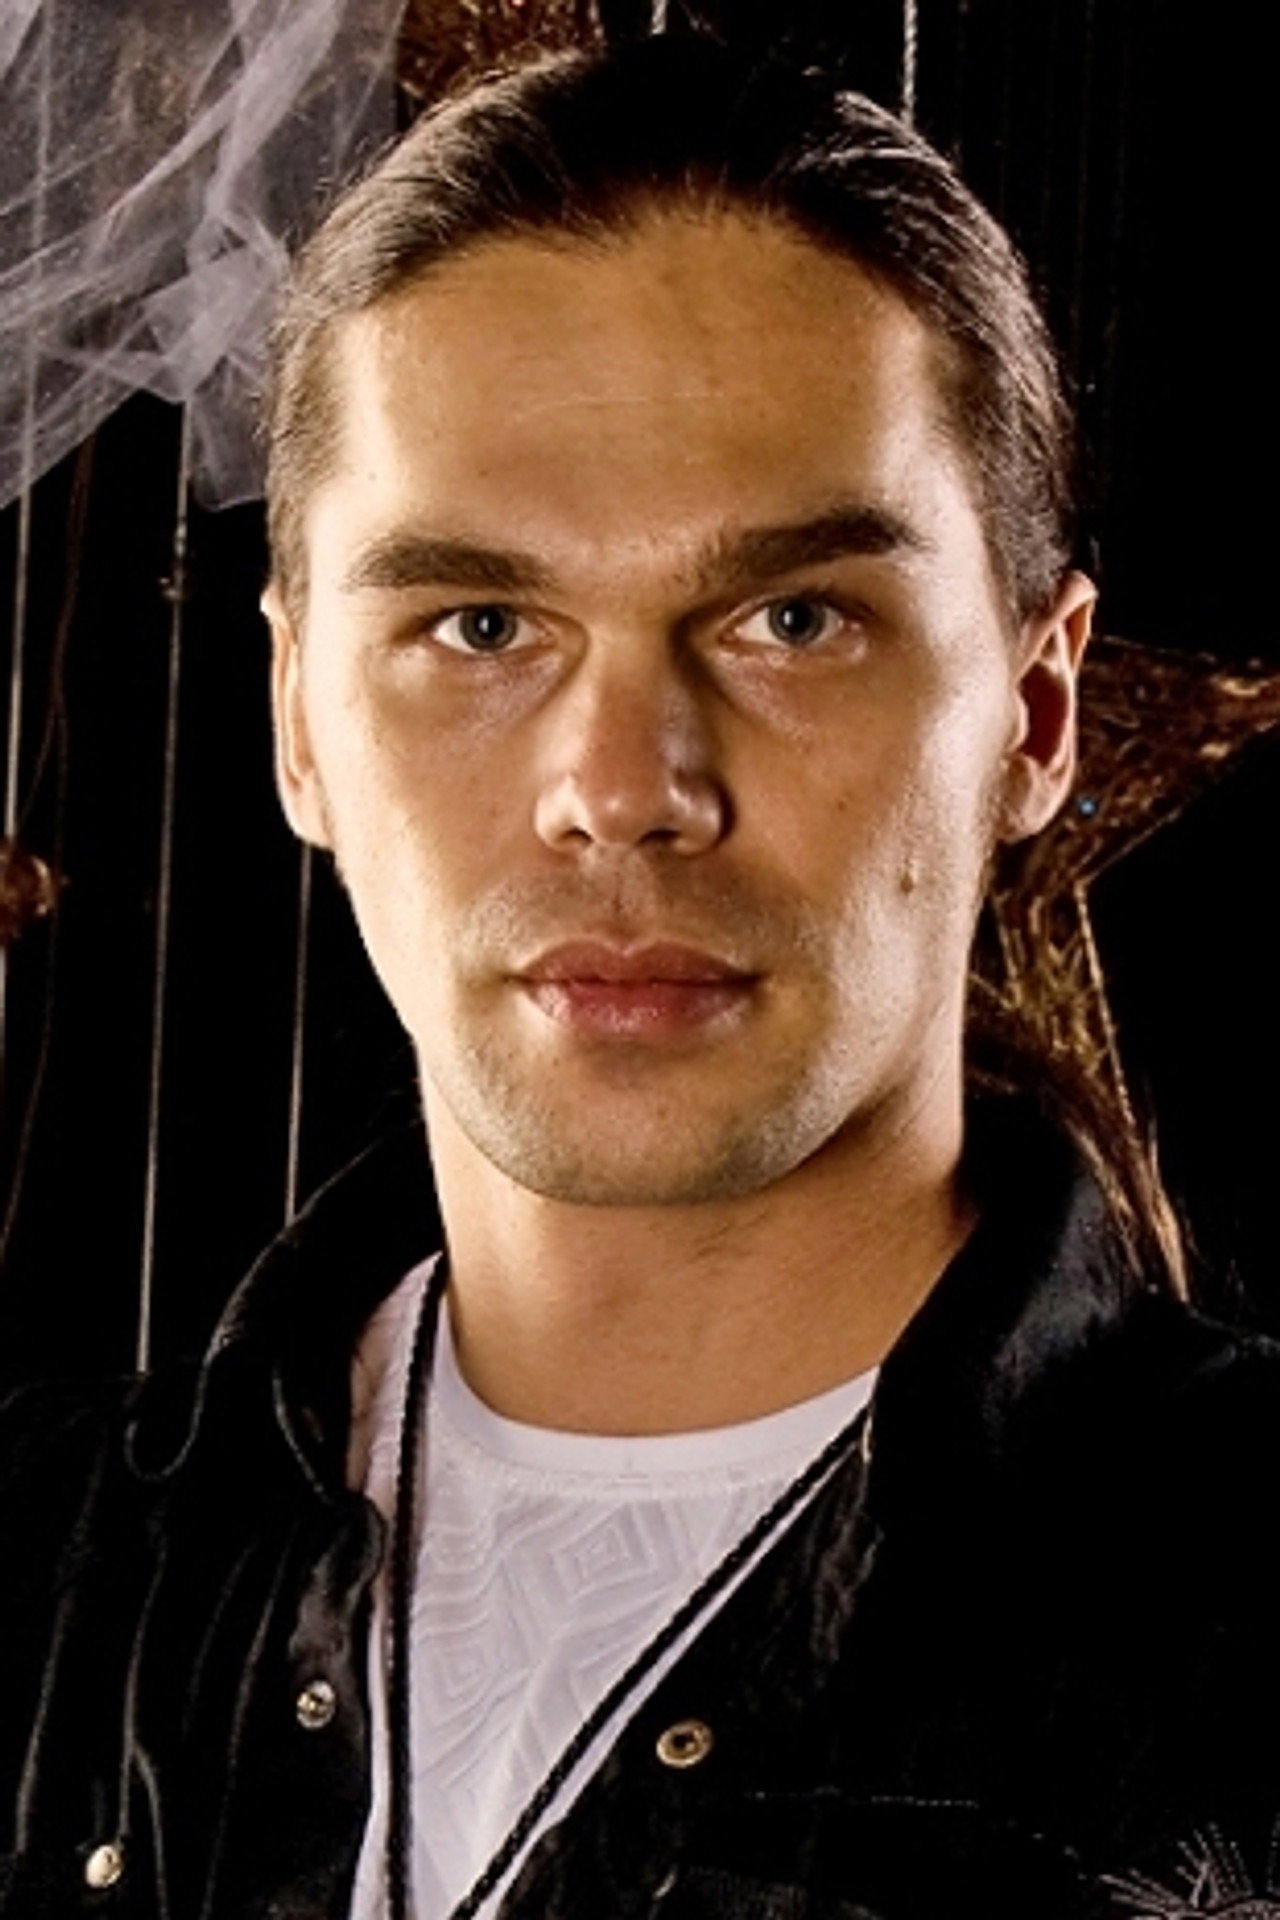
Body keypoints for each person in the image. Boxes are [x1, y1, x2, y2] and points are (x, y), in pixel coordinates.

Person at [3, 32, 1278, 1920]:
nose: (622, 788)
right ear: (298, 721)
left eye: (793, 620)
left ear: (1034, 710)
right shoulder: (40, 1585)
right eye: (482, 625)